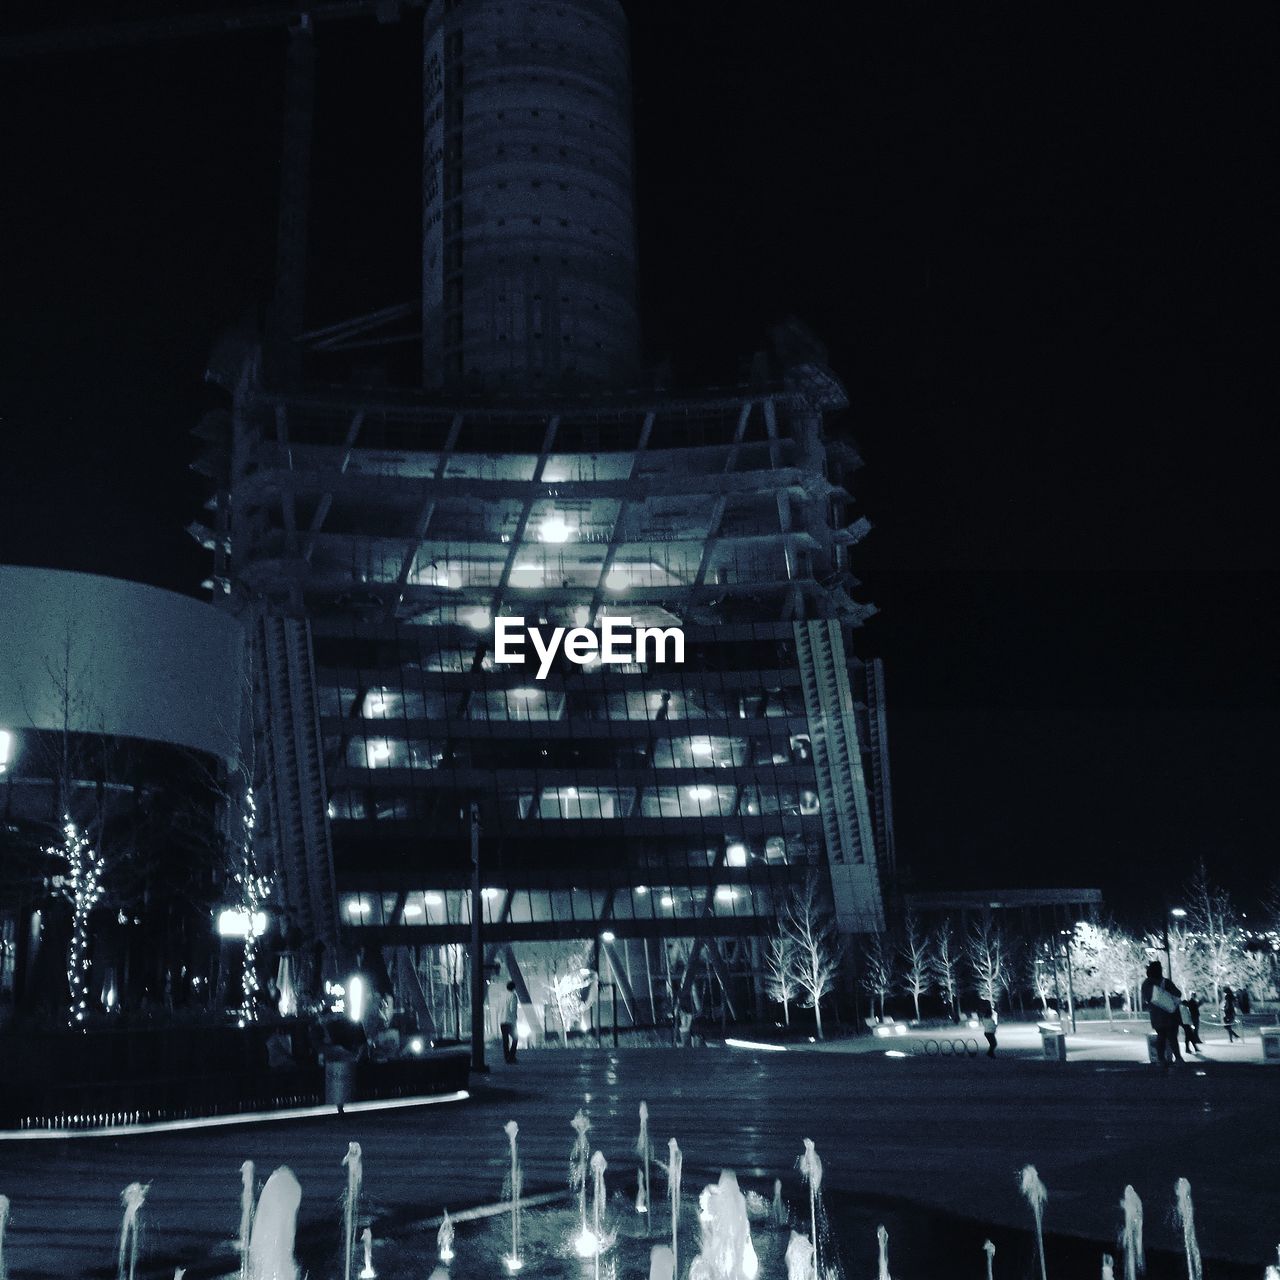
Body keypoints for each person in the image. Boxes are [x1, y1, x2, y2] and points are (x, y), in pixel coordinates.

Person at [1140, 960, 1183, 1068]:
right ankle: (1178, 1058)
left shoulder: (1146, 984)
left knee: (1161, 1036)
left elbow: (1147, 998)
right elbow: (1178, 993)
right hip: (1169, 1014)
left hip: (1156, 1015)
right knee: (1172, 1038)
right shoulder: (1165, 982)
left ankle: (1161, 1059)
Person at [500, 981, 519, 1063]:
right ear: (514, 988)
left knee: (505, 1040)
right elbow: (513, 1009)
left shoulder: (502, 996)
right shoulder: (513, 996)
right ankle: (511, 1056)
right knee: (515, 1038)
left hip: (502, 1021)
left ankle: (506, 1057)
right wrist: (515, 1018)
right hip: (510, 1021)